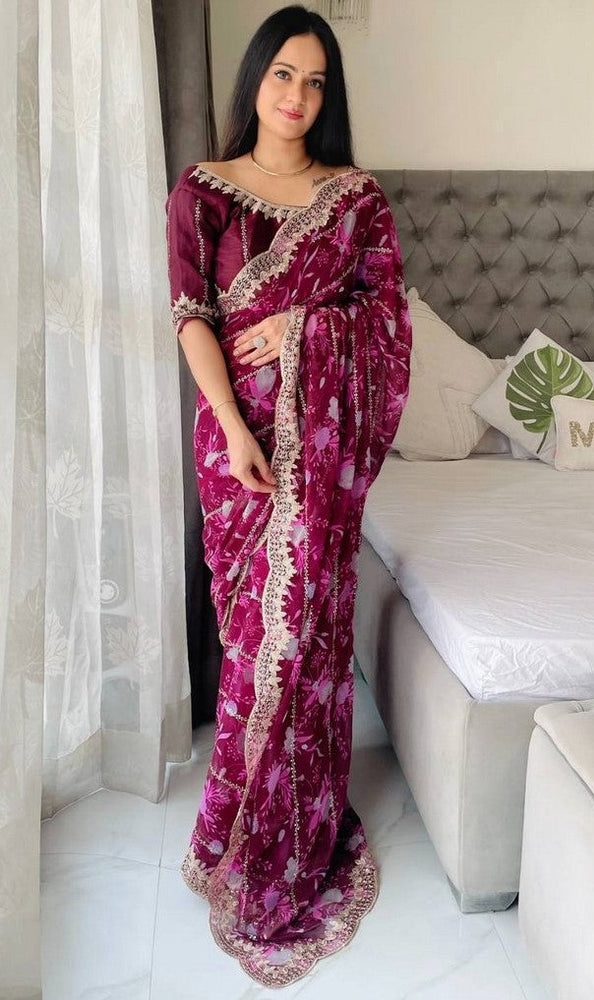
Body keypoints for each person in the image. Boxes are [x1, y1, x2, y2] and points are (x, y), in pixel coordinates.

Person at [165, 4, 411, 987]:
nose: (298, 96)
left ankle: (296, 839)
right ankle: (233, 826)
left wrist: (309, 327)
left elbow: (386, 325)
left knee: (305, 635)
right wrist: (232, 428)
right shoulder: (204, 191)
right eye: (283, 74)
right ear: (255, 77)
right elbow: (192, 317)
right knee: (248, 647)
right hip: (237, 450)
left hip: (322, 459)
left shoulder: (356, 201)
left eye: (316, 82)